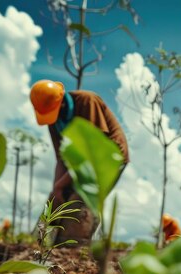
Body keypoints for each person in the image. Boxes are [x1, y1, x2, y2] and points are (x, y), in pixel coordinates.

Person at [30, 80, 129, 245]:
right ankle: (38, 246)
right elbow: (62, 158)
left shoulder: (87, 101)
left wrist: (61, 185)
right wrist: (57, 189)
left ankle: (74, 249)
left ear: (61, 102)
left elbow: (91, 152)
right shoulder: (53, 121)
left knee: (80, 200)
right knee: (55, 200)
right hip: (77, 164)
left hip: (107, 158)